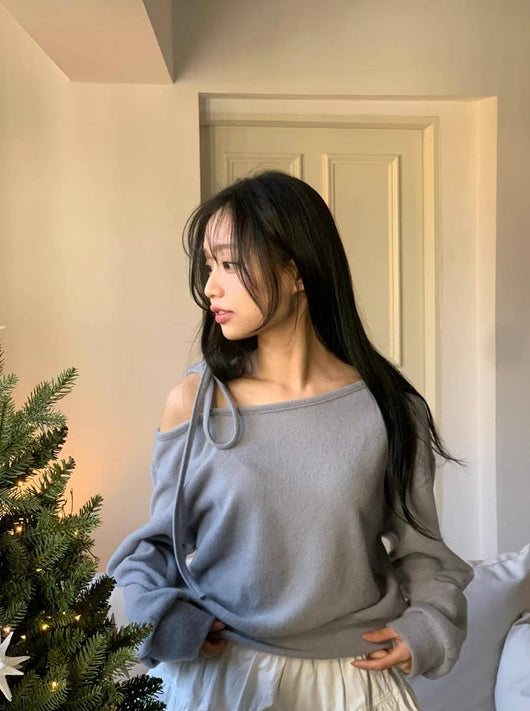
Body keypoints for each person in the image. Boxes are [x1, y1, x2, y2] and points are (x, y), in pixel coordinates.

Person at [106, 170, 475, 710]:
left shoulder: (390, 408)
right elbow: (153, 550)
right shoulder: (194, 402)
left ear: (296, 270)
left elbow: (425, 554)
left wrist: (427, 626)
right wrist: (167, 621)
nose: (210, 287)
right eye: (208, 266)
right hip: (225, 682)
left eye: (230, 264)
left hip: (353, 683)